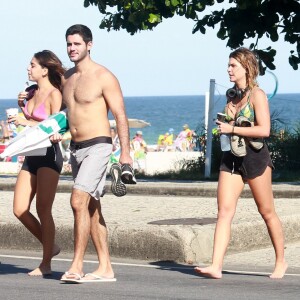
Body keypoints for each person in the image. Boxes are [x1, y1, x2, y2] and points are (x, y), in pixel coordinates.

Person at [194, 47, 287, 279]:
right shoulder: (231, 94)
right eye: (228, 65)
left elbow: (264, 130)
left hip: (255, 158)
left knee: (267, 212)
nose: (228, 69)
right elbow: (230, 125)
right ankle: (216, 266)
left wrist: (232, 127)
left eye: (233, 65)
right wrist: (226, 120)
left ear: (247, 67)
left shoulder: (258, 95)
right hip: (232, 158)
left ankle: (281, 261)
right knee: (224, 212)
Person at [59, 24, 132, 283]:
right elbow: (64, 115)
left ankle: (76, 266)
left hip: (99, 146)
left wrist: (126, 154)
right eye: (69, 44)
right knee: (91, 208)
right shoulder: (66, 78)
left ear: (89, 45)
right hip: (76, 149)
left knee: (77, 201)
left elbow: (121, 115)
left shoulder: (104, 76)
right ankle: (105, 268)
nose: (72, 48)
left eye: (77, 44)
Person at [8, 50, 65, 276]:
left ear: (44, 69)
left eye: (32, 65)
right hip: (31, 154)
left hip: (49, 155)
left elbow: (55, 126)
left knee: (43, 209)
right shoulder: (31, 92)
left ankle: (46, 264)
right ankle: (51, 246)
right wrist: (20, 104)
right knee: (19, 209)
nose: (28, 68)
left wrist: (26, 120)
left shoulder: (54, 95)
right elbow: (29, 119)